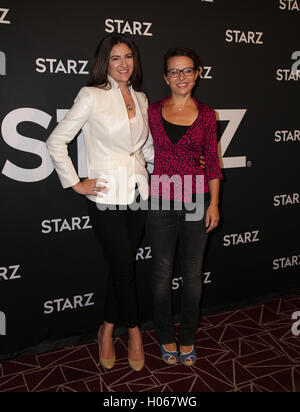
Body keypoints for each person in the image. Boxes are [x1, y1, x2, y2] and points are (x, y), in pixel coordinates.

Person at [46, 34, 155, 372]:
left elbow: (145, 146)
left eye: (128, 57)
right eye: (115, 59)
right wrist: (77, 183)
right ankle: (134, 332)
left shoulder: (142, 97)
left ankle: (105, 329)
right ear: (104, 64)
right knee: (125, 269)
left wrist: (165, 167)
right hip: (106, 195)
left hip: (138, 193)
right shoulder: (91, 96)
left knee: (121, 269)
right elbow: (56, 140)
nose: (124, 64)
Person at [146, 47, 223, 366]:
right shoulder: (151, 111)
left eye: (187, 70)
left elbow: (214, 163)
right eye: (174, 72)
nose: (181, 77)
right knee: (162, 273)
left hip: (197, 198)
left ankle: (188, 336)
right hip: (161, 197)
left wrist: (214, 203)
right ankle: (165, 335)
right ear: (165, 77)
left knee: (192, 275)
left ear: (198, 74)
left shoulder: (207, 114)